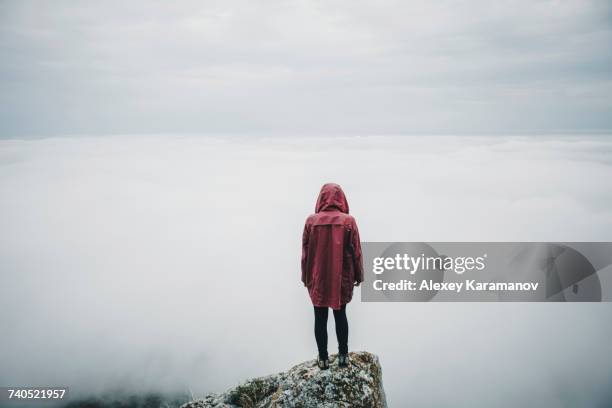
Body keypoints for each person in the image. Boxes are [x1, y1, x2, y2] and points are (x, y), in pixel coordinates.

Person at [301, 183, 364, 370]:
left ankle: (323, 359)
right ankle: (343, 356)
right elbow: (356, 251)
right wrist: (359, 275)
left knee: (319, 318)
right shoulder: (349, 221)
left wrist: (305, 277)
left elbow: (305, 252)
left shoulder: (311, 221)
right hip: (341, 277)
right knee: (340, 314)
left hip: (317, 276)